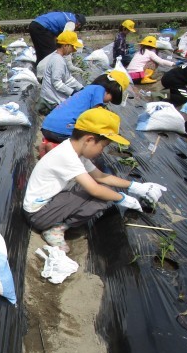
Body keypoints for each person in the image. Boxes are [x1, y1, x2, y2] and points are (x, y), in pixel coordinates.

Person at [23, 107, 166, 253]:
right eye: (103, 146)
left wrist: (135, 186)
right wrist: (122, 198)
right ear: (89, 140)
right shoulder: (67, 156)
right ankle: (55, 229)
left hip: (47, 206)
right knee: (101, 196)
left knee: (102, 189)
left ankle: (57, 224)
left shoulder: (74, 152)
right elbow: (95, 189)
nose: (102, 151)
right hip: (38, 215)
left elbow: (100, 176)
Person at [41, 71, 129, 146]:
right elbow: (97, 113)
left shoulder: (88, 89)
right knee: (85, 142)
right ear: (112, 90)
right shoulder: (99, 90)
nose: (108, 102)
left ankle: (48, 145)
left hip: (47, 125)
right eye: (111, 99)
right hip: (61, 130)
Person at [38, 31, 84, 115]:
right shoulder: (57, 61)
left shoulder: (59, 58)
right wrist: (73, 92)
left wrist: (81, 88)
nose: (73, 50)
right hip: (52, 101)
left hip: (55, 98)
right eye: (72, 47)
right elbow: (57, 83)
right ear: (65, 46)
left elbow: (68, 79)